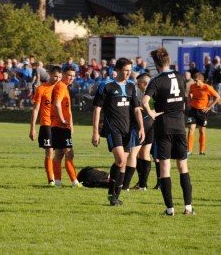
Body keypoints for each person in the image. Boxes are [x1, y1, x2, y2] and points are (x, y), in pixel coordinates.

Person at [142, 47, 195, 216]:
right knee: (183, 166)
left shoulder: (156, 80)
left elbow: (144, 101)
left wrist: (151, 114)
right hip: (179, 126)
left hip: (163, 127)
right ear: (168, 59)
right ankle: (188, 207)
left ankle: (170, 209)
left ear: (156, 63)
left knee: (165, 168)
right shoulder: (180, 76)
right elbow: (184, 103)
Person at [92, 57, 145, 206]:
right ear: (118, 70)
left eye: (130, 70)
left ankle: (116, 195)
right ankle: (111, 193)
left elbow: (136, 109)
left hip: (128, 129)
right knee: (120, 159)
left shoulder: (131, 86)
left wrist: (141, 127)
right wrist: (95, 131)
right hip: (112, 128)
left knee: (123, 164)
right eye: (126, 70)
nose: (128, 73)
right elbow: (97, 109)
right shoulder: (106, 85)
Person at [29, 66, 62, 187]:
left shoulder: (61, 89)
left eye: (59, 77)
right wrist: (32, 128)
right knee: (49, 152)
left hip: (59, 125)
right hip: (46, 124)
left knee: (61, 152)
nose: (57, 79)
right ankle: (51, 180)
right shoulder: (41, 89)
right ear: (50, 74)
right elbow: (36, 109)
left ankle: (58, 178)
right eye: (55, 76)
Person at [51, 66, 83, 187]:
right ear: (63, 74)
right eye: (69, 75)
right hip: (60, 127)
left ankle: (58, 182)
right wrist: (62, 119)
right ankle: (75, 182)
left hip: (60, 126)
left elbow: (65, 108)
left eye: (73, 76)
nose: (71, 78)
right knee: (69, 153)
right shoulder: (61, 86)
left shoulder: (63, 87)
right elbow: (57, 104)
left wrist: (71, 124)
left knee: (59, 154)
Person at [187, 72, 220, 155]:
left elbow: (217, 97)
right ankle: (189, 150)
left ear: (201, 80)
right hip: (193, 110)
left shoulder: (207, 87)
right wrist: (189, 103)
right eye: (194, 81)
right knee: (191, 130)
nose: (195, 82)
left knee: (202, 131)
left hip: (202, 111)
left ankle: (201, 151)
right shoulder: (192, 86)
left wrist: (209, 106)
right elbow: (190, 94)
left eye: (196, 81)